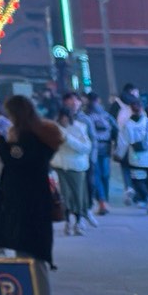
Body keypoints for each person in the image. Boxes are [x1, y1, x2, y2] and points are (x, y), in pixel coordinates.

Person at [0, 92, 64, 295]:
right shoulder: (37, 137)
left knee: (33, 262)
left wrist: (1, 143)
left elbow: (15, 159)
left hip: (28, 209)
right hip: (31, 208)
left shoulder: (30, 141)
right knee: (31, 261)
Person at [54, 96, 92, 233]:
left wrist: (67, 139)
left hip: (76, 166)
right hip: (59, 166)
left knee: (77, 195)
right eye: (61, 117)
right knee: (64, 196)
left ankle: (79, 221)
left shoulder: (80, 128)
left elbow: (86, 147)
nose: (64, 119)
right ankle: (68, 222)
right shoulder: (53, 129)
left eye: (66, 117)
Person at [85, 96, 114, 213]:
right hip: (106, 149)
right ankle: (104, 199)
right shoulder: (106, 116)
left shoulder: (87, 117)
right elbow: (116, 128)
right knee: (105, 175)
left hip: (93, 150)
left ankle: (102, 200)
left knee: (96, 175)